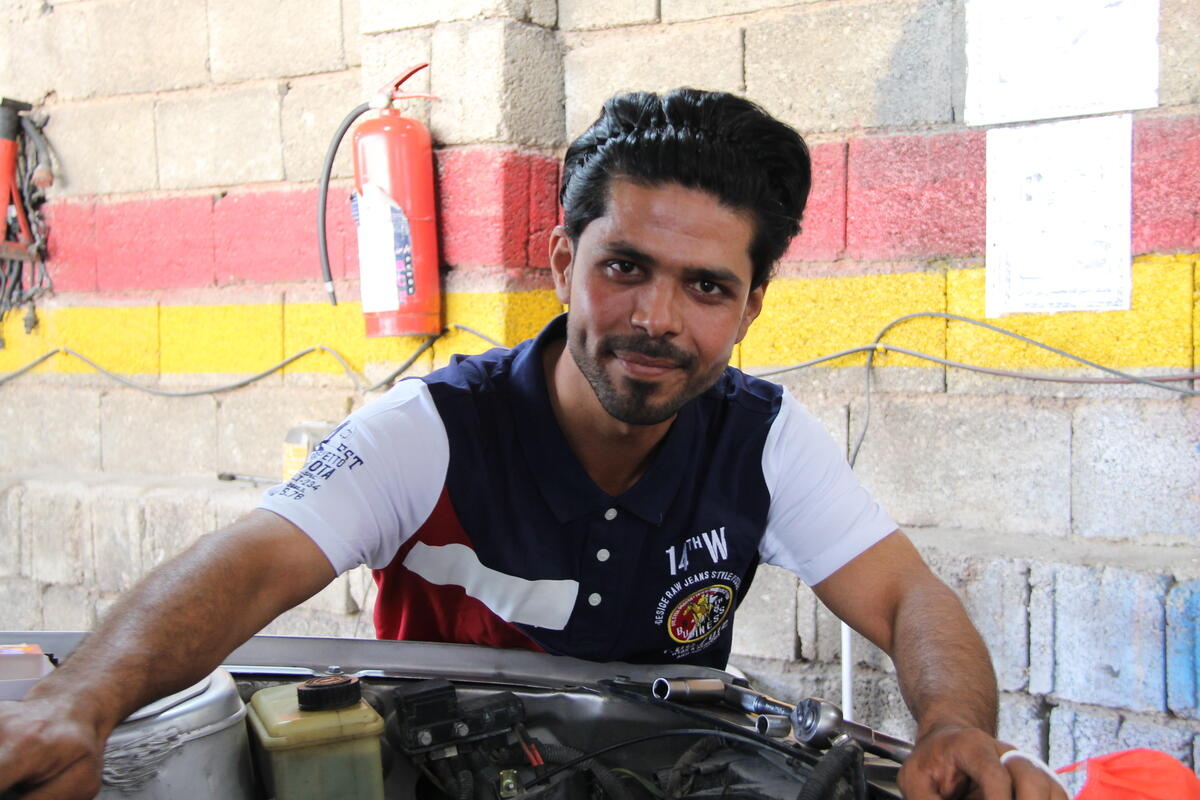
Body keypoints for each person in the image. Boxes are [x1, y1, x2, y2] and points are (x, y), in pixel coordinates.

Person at [0, 89, 1065, 800]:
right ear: (563, 260)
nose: (658, 317)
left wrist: (954, 724)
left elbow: (907, 596)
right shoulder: (435, 431)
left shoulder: (765, 442)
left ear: (749, 307)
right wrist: (77, 701)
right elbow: (249, 563)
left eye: (707, 287)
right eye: (626, 266)